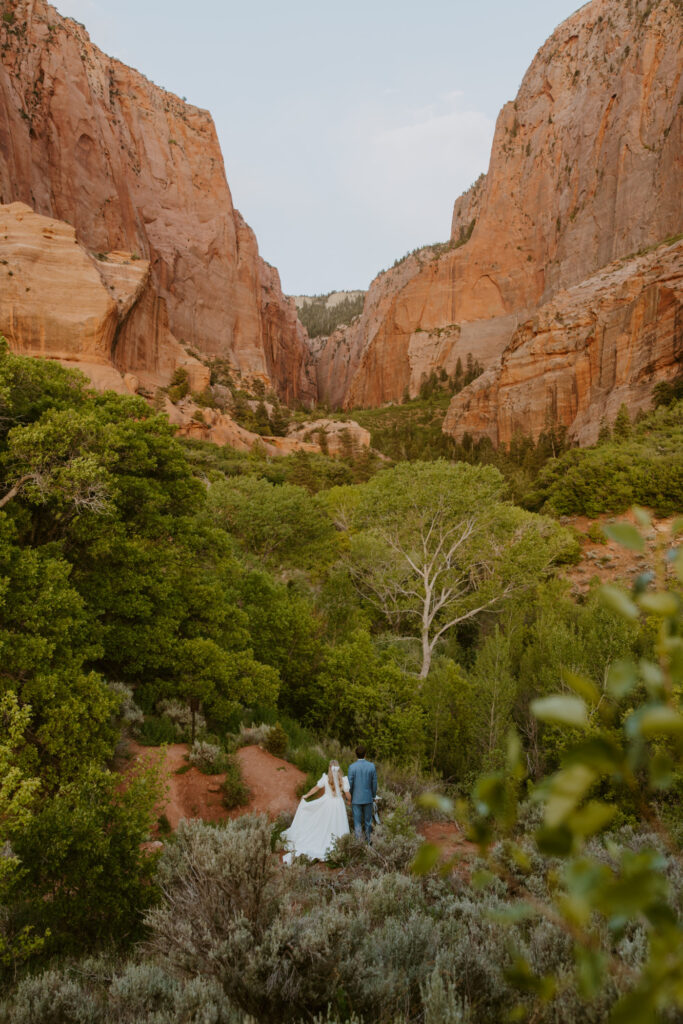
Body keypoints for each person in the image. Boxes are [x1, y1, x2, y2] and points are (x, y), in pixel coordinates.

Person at [281, 759, 349, 863]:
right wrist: (351, 801)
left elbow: (316, 788)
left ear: (329, 768)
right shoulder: (343, 780)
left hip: (327, 804)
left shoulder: (326, 778)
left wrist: (307, 795)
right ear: (338, 768)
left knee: (325, 823)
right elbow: (347, 794)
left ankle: (326, 838)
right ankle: (338, 843)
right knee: (338, 822)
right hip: (338, 805)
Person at [346, 745, 377, 843]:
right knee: (368, 822)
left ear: (356, 755)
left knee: (357, 822)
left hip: (356, 798)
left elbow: (349, 784)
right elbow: (374, 783)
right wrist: (373, 795)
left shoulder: (352, 767)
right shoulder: (371, 766)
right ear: (365, 754)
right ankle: (368, 842)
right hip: (368, 798)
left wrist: (350, 797)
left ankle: (359, 843)